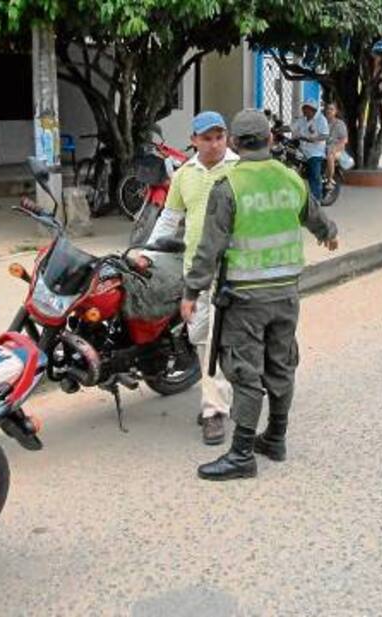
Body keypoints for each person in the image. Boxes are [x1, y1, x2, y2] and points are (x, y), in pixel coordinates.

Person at [181, 109, 339, 481]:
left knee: (245, 372)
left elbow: (209, 249)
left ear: (234, 143)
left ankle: (241, 455)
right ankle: (276, 438)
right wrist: (329, 233)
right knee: (281, 365)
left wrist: (191, 291)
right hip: (286, 295)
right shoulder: (290, 179)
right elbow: (316, 218)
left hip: (244, 299)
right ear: (270, 140)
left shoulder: (228, 186)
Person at [145, 111, 239, 445]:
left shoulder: (240, 170)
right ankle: (222, 390)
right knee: (200, 337)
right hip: (195, 270)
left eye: (219, 137)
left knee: (216, 339)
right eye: (207, 138)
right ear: (195, 140)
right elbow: (169, 219)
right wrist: (148, 254)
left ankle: (214, 410)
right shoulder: (184, 174)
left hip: (232, 269)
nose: (214, 144)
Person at [291, 99, 330, 203]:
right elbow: (292, 128)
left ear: (313, 110)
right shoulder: (302, 119)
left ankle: (316, 200)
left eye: (306, 108)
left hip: (315, 152)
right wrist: (277, 129)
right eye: (303, 108)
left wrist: (313, 139)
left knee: (314, 175)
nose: (304, 110)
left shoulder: (321, 120)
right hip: (302, 150)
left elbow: (325, 135)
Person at [324, 103, 349, 187]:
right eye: (327, 109)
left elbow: (344, 140)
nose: (329, 111)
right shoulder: (322, 122)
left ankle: (329, 180)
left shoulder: (340, 124)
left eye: (331, 109)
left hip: (337, 149)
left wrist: (334, 149)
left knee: (330, 155)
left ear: (335, 111)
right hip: (324, 147)